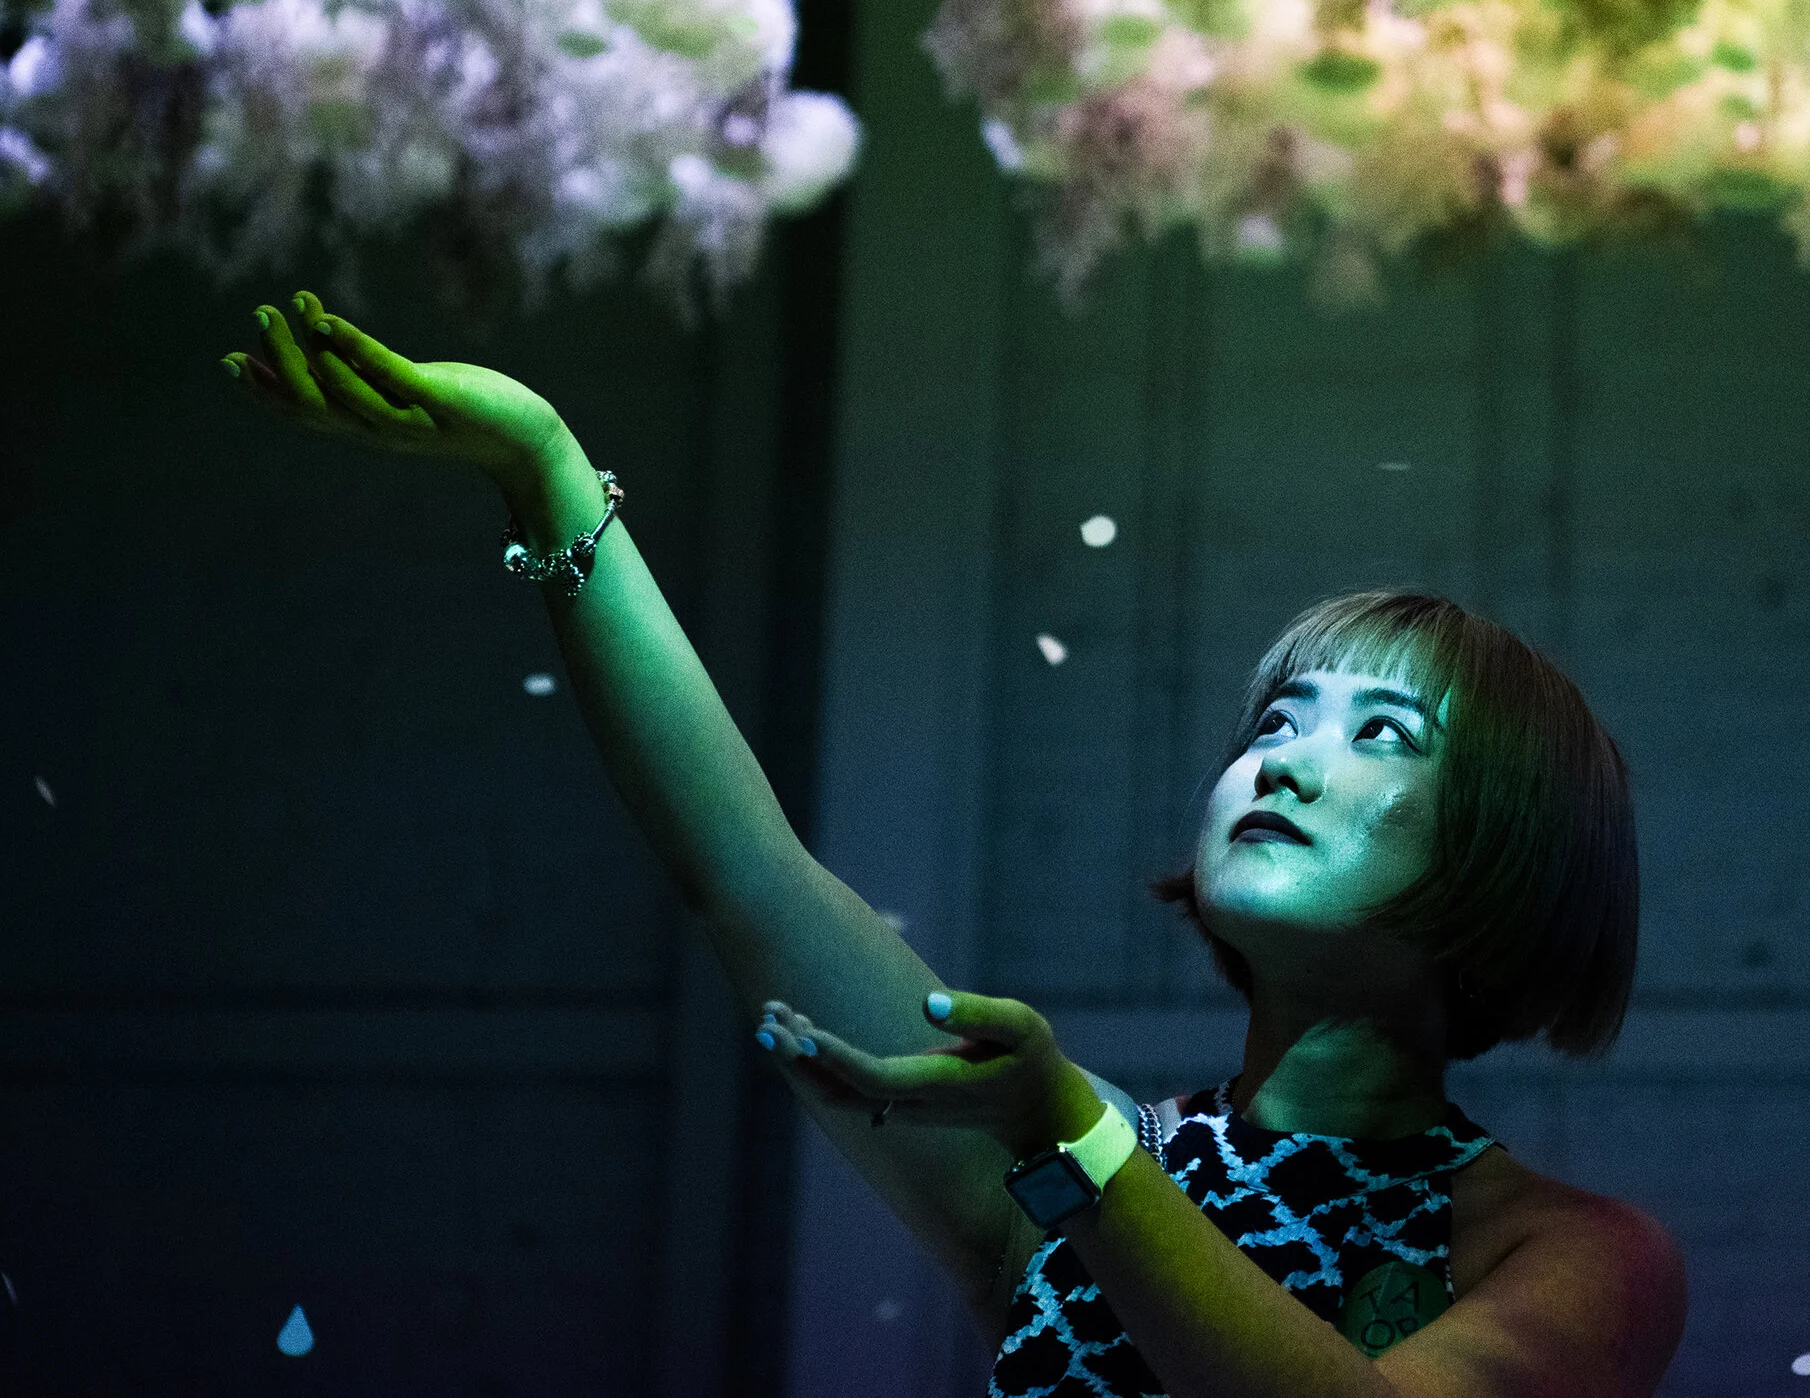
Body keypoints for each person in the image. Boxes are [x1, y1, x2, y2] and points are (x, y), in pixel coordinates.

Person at [221, 290, 1687, 1398]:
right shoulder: (1062, 1150)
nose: (1286, 756)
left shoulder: (1584, 1255)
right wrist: (547, 467)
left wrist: (1078, 1143)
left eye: (1383, 734)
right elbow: (749, 869)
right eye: (1277, 716)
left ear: (1514, 849)